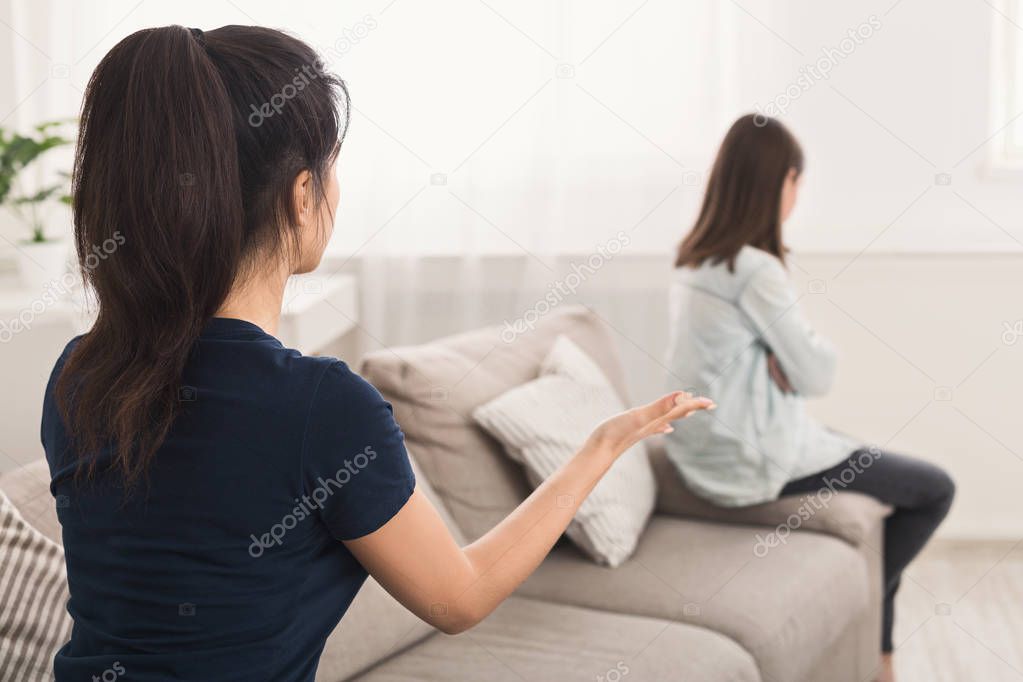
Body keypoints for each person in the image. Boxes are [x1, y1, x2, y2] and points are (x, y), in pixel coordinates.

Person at [40, 25, 714, 682]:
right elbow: (460, 596)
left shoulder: (78, 377)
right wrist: (599, 448)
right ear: (301, 195)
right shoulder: (319, 408)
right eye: (330, 170)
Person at [664, 113, 955, 682]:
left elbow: (788, 366)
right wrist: (786, 362)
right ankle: (871, 622)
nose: (798, 195)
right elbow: (817, 372)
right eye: (797, 183)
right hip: (751, 462)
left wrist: (782, 361)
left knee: (860, 455)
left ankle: (881, 656)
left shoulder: (695, 259)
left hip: (701, 453)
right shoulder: (754, 270)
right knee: (932, 489)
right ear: (781, 182)